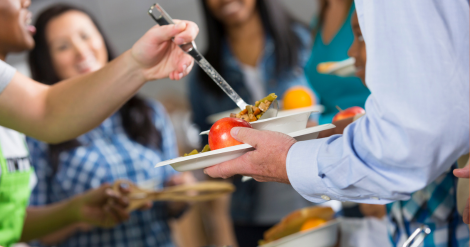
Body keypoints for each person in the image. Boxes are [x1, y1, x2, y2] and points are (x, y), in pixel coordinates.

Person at [204, 0, 469, 232]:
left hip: (377, 169)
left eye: (361, 38)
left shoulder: (298, 35)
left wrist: (288, 158)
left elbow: (410, 139)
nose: (352, 52)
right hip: (351, 162)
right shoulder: (320, 20)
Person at [0, 0, 199, 245]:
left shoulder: (148, 113)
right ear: (46, 61)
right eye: (62, 46)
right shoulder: (32, 128)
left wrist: (181, 193)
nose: (81, 51)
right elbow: (45, 109)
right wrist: (73, 214)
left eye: (86, 36)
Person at [188, 0, 316, 245]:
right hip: (251, 218)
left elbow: (332, 108)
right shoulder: (203, 75)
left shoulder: (301, 41)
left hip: (317, 198)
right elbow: (208, 148)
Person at [304, 0, 369, 125]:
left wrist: (322, 126)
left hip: (363, 124)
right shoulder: (317, 22)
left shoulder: (364, 9)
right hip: (328, 131)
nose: (351, 51)